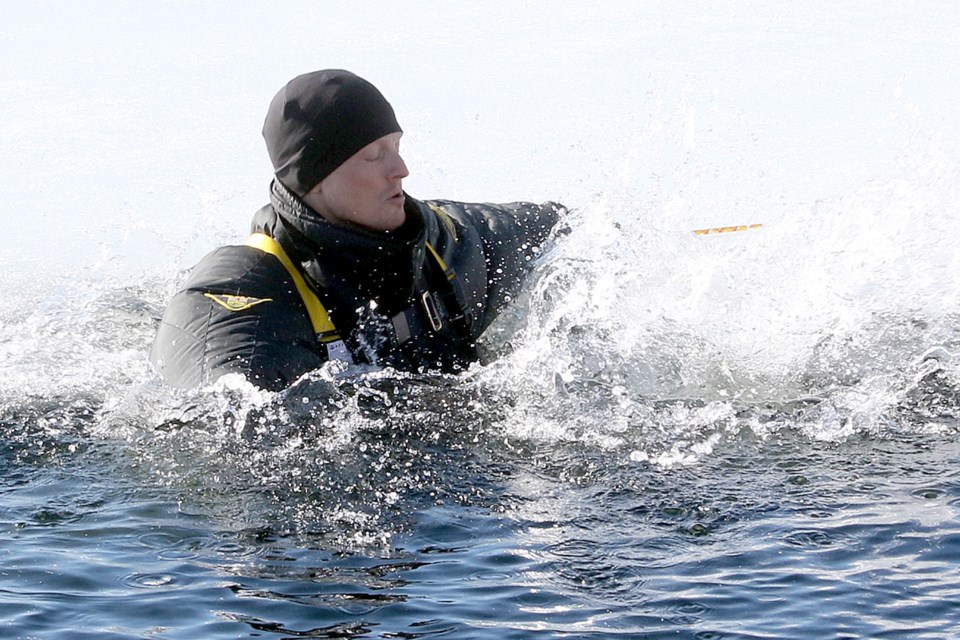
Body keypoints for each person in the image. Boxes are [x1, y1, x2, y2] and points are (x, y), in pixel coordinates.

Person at [150, 69, 564, 391]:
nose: (401, 170)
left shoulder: (438, 241)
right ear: (315, 178)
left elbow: (568, 229)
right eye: (374, 155)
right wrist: (418, 407)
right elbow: (227, 438)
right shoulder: (240, 293)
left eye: (397, 148)